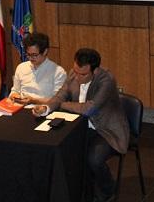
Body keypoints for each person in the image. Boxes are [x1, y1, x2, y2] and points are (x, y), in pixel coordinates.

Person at [33, 48, 129, 202]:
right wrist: (47, 108)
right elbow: (60, 95)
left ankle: (108, 190)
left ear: (95, 71)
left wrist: (62, 105)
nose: (77, 77)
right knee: (65, 151)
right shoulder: (74, 73)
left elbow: (89, 109)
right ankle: (79, 192)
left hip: (106, 130)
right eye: (76, 71)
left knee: (94, 159)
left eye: (82, 74)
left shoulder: (106, 79)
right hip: (82, 127)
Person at [8, 32, 66, 105]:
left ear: (45, 51)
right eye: (28, 54)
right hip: (21, 108)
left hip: (43, 110)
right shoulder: (21, 67)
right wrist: (15, 96)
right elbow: (15, 91)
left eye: (34, 55)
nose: (30, 58)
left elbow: (57, 100)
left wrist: (33, 100)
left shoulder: (58, 72)